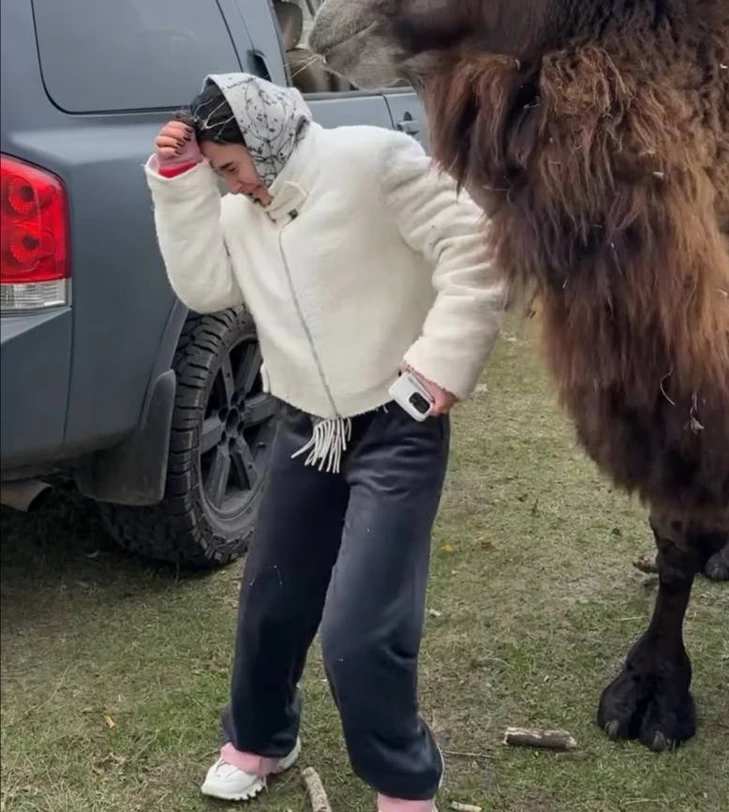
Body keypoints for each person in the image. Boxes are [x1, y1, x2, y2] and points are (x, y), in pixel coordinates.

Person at [145, 73, 504, 810]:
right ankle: (259, 738)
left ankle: (404, 783)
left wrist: (438, 366)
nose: (233, 187)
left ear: (266, 142)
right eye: (219, 175)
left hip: (400, 421)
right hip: (307, 426)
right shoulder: (249, 212)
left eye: (232, 169)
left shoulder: (373, 160)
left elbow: (477, 249)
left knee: (361, 627)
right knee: (271, 599)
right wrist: (179, 184)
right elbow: (207, 288)